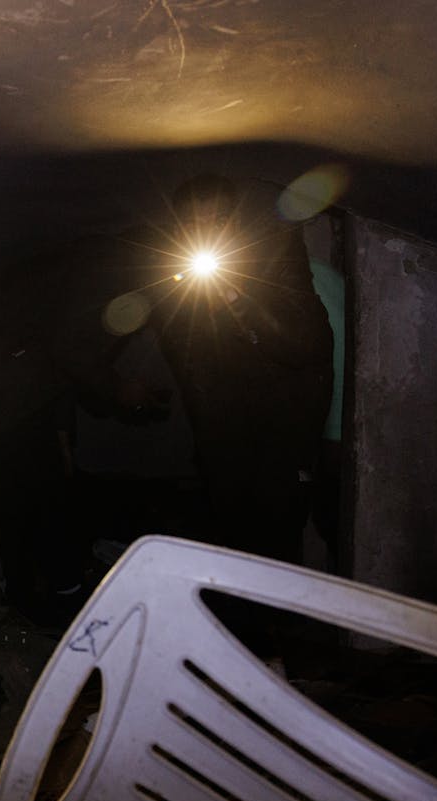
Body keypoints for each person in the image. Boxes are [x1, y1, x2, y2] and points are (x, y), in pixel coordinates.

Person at [144, 173, 334, 564]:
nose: (205, 234)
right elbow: (187, 358)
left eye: (215, 222)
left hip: (284, 425)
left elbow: (306, 343)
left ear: (232, 222)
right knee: (229, 527)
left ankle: (277, 620)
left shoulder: (272, 256)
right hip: (223, 428)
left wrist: (237, 298)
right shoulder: (171, 273)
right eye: (194, 226)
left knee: (277, 530)